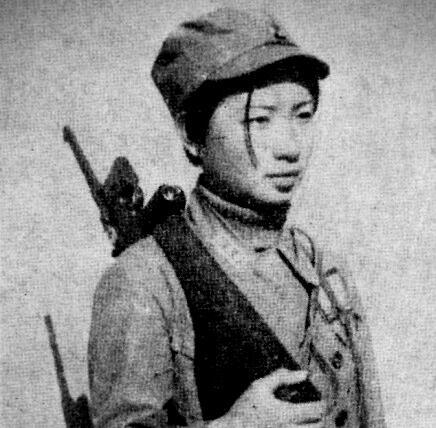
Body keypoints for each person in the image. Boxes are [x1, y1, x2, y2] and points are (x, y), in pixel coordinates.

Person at [88, 7, 385, 428]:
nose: (290, 147)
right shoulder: (145, 282)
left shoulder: (323, 267)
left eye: (303, 115)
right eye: (259, 120)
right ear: (192, 135)